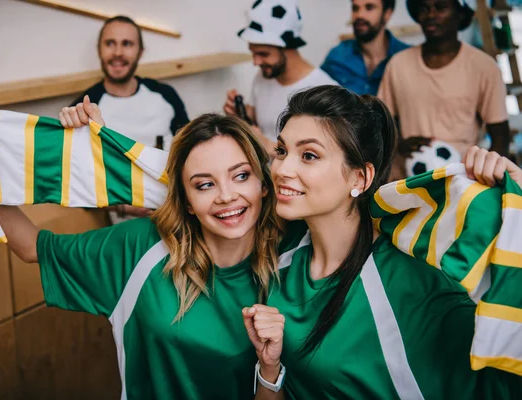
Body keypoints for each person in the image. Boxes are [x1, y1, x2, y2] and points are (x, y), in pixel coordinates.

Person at [0, 110, 296, 400]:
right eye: (205, 184)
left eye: (241, 176)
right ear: (187, 202)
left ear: (263, 184)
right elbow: (31, 246)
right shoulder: (140, 248)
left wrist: (269, 368)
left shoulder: (295, 254)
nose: (226, 196)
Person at [240, 85, 522, 399]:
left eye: (308, 155)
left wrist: (516, 192)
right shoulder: (281, 264)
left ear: (360, 178)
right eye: (281, 151)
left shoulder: (414, 278)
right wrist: (269, 367)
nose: (281, 169)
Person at [67, 15, 190, 219]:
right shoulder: (84, 108)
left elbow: (191, 152)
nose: (118, 53)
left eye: (127, 44)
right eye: (110, 44)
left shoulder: (166, 96)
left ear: (140, 52)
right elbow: (75, 182)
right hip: (125, 229)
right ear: (99, 49)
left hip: (178, 215)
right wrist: (123, 207)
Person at [378, 0, 510, 179]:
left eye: (440, 7)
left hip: (462, 181)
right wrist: (399, 143)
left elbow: (500, 136)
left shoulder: (484, 67)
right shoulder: (398, 65)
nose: (430, 15)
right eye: (424, 8)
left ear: (461, 14)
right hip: (409, 180)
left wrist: (485, 180)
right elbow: (381, 123)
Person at [223, 0, 337, 155]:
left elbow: (323, 157)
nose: (256, 62)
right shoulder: (263, 77)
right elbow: (261, 121)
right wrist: (241, 115)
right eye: (253, 52)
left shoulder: (325, 90)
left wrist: (266, 144)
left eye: (263, 54)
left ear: (288, 48)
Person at [321, 0, 409, 95]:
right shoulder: (337, 56)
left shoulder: (407, 57)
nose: (359, 15)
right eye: (355, 8)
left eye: (369, 7)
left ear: (387, 13)